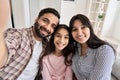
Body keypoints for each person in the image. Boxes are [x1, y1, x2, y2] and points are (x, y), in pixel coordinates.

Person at [0, 7, 60, 80]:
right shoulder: (18, 35)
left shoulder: (46, 45)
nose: (47, 28)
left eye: (53, 26)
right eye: (45, 21)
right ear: (36, 19)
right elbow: (8, 47)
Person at [69, 14, 115, 80]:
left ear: (90, 28)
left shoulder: (105, 50)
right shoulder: (75, 47)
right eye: (75, 29)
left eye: (83, 27)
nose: (79, 33)